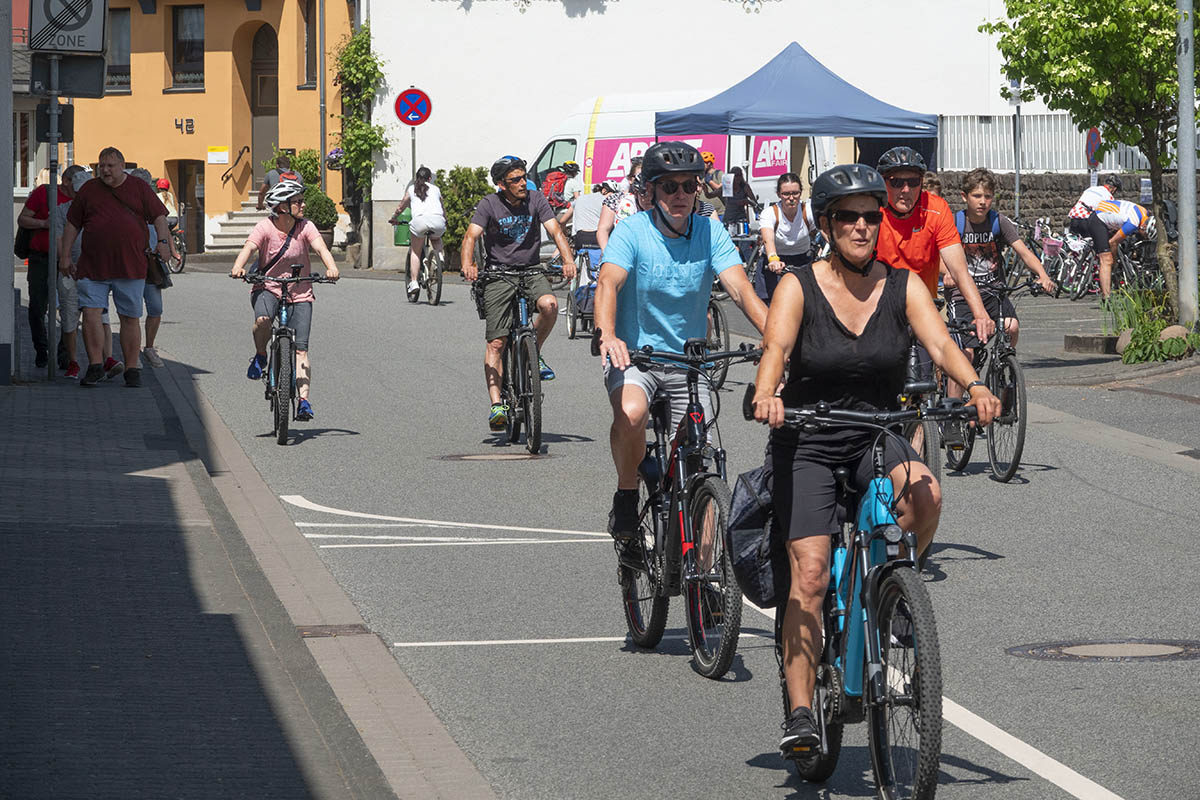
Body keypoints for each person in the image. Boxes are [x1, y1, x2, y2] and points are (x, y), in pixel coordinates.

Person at [748, 163, 1001, 753]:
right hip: (809, 438)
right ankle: (803, 711)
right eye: (848, 217)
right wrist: (766, 394)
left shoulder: (902, 284)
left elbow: (939, 343)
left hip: (873, 433)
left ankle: (893, 596)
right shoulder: (798, 285)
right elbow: (777, 348)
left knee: (925, 492)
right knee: (809, 575)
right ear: (826, 223)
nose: (862, 227)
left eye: (871, 216)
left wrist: (977, 385)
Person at [594, 141, 769, 540]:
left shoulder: (710, 231)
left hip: (689, 361)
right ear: (651, 190)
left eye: (688, 186)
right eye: (669, 186)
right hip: (635, 356)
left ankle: (708, 572)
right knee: (633, 412)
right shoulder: (632, 231)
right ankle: (626, 493)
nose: (680, 195)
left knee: (700, 454)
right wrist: (607, 334)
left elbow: (742, 291)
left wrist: (777, 339)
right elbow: (608, 282)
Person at [460, 155, 577, 431]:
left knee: (549, 305)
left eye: (524, 177)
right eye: (515, 180)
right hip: (498, 274)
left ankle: (534, 351)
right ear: (502, 184)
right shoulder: (490, 204)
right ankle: (497, 403)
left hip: (530, 270)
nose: (523, 183)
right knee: (497, 344)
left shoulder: (535, 199)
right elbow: (471, 236)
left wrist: (568, 259)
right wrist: (468, 264)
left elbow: (556, 230)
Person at [60, 147, 172, 388]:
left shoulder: (139, 188)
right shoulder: (89, 190)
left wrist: (163, 242)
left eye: (110, 165)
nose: (105, 170)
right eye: (102, 166)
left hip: (129, 265)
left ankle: (132, 368)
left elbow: (160, 217)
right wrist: (65, 256)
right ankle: (96, 366)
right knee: (91, 314)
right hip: (93, 266)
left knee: (129, 318)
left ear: (122, 166)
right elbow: (72, 225)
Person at [230, 178, 341, 421]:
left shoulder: (306, 226)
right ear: (282, 207)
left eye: (302, 200)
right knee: (262, 320)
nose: (303, 205)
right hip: (267, 287)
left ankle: (303, 401)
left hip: (300, 291)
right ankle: (261, 355)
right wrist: (238, 267)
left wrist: (331, 267)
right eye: (297, 202)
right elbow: (249, 249)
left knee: (300, 349)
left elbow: (321, 249)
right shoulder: (265, 227)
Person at [942, 168, 1057, 399]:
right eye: (976, 196)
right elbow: (938, 256)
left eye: (987, 196)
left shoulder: (999, 221)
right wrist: (946, 273)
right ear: (964, 197)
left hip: (995, 292)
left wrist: (1042, 275)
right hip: (963, 296)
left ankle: (1005, 371)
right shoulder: (955, 223)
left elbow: (1023, 252)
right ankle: (951, 413)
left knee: (1012, 326)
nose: (982, 202)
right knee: (965, 355)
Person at [874, 146, 995, 351]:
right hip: (881, 301)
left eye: (913, 182)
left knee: (951, 354)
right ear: (884, 183)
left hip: (925, 302)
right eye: (896, 182)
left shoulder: (936, 208)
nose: (905, 190)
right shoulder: (872, 211)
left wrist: (980, 313)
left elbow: (958, 269)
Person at [17, 168, 75, 368]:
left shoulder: (82, 200)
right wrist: (43, 223)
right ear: (66, 181)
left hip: (67, 261)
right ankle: (41, 350)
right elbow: (22, 219)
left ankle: (63, 353)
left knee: (70, 308)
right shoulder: (44, 193)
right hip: (40, 259)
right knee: (37, 307)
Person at [129, 168, 179, 369]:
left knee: (155, 309)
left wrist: (171, 249)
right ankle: (133, 353)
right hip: (131, 264)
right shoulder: (126, 204)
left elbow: (163, 228)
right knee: (131, 312)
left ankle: (149, 348)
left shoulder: (153, 203)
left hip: (151, 264)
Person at [1067, 175, 1142, 302]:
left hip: (1074, 217)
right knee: (1105, 251)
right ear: (1113, 189)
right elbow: (1104, 212)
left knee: (1088, 243)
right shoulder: (1109, 197)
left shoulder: (1091, 189)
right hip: (1088, 219)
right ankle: (1101, 269)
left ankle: (1081, 262)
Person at [49, 165, 90, 378]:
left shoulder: (96, 209)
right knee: (68, 316)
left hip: (93, 271)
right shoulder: (61, 211)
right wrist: (64, 259)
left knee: (97, 316)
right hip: (68, 269)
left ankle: (99, 361)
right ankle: (73, 361)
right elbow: (57, 238)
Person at [388, 166, 446, 301]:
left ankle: (414, 282)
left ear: (417, 178)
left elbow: (400, 207)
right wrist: (445, 220)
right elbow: (442, 207)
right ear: (430, 179)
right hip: (438, 220)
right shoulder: (436, 189)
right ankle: (440, 258)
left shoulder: (411, 189)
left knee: (415, 251)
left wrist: (394, 218)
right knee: (436, 239)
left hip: (419, 222)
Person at [757, 172, 817, 302]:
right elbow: (768, 239)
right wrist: (773, 259)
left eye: (795, 193)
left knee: (807, 303)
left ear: (801, 193)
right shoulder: (770, 213)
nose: (791, 198)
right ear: (779, 194)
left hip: (802, 260)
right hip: (775, 261)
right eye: (786, 194)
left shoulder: (808, 211)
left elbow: (824, 232)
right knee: (770, 305)